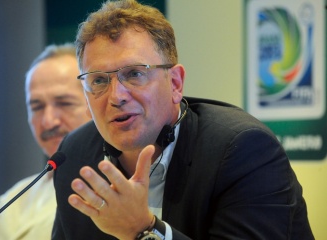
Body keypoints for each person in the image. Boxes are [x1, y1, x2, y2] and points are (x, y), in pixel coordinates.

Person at [51, 1, 314, 239]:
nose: (116, 96)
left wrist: (143, 230)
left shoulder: (243, 151)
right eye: (98, 80)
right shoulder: (74, 155)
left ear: (175, 83)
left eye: (134, 74)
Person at [0, 43, 92, 239]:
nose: (48, 121)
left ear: (95, 104)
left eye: (64, 103)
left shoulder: (120, 189)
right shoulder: (19, 195)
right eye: (37, 107)